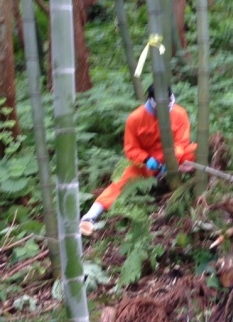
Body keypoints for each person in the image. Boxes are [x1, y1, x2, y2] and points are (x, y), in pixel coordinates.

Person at [79, 85, 197, 236]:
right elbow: (131, 149)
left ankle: (194, 185)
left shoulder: (179, 114)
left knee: (196, 150)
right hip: (146, 165)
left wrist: (172, 160)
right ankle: (91, 216)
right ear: (151, 101)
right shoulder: (135, 119)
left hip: (174, 159)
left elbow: (182, 142)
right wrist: (147, 159)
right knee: (122, 181)